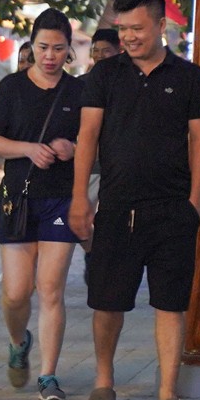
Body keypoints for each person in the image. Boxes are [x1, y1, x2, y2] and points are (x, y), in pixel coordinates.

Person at [70, 0, 200, 400]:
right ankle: (104, 381)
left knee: (171, 302)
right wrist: (79, 199)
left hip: (173, 210)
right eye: (122, 28)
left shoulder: (189, 77)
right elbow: (87, 137)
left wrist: (195, 202)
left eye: (137, 27)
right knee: (107, 301)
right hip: (116, 208)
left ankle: (169, 393)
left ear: (161, 24)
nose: (129, 36)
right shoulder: (105, 75)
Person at [0, 8, 83, 400]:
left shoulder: (78, 93)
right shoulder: (11, 88)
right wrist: (29, 149)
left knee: (51, 289)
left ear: (69, 51)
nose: (50, 55)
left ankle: (48, 375)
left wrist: (70, 148)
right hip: (18, 200)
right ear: (32, 46)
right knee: (17, 293)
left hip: (61, 197)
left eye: (58, 48)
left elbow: (92, 143)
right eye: (43, 47)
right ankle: (18, 340)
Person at [80, 28, 121, 257]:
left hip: (116, 167)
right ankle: (94, 255)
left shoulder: (129, 83)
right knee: (77, 221)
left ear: (119, 51)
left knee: (112, 224)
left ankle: (101, 259)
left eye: (106, 51)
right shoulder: (81, 83)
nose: (100, 55)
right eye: (96, 51)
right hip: (90, 165)